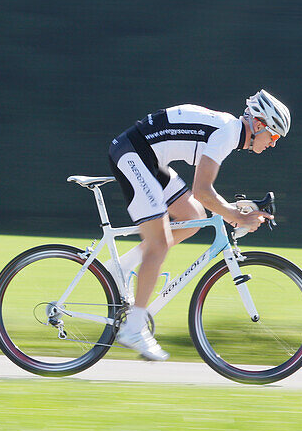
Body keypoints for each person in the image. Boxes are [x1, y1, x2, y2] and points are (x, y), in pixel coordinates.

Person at [106, 89, 289, 361]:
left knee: (193, 218)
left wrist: (233, 211)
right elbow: (203, 189)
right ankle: (133, 329)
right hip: (135, 155)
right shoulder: (227, 133)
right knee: (158, 244)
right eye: (273, 136)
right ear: (259, 125)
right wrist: (235, 216)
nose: (273, 144)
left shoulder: (228, 130)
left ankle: (120, 268)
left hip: (148, 157)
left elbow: (205, 196)